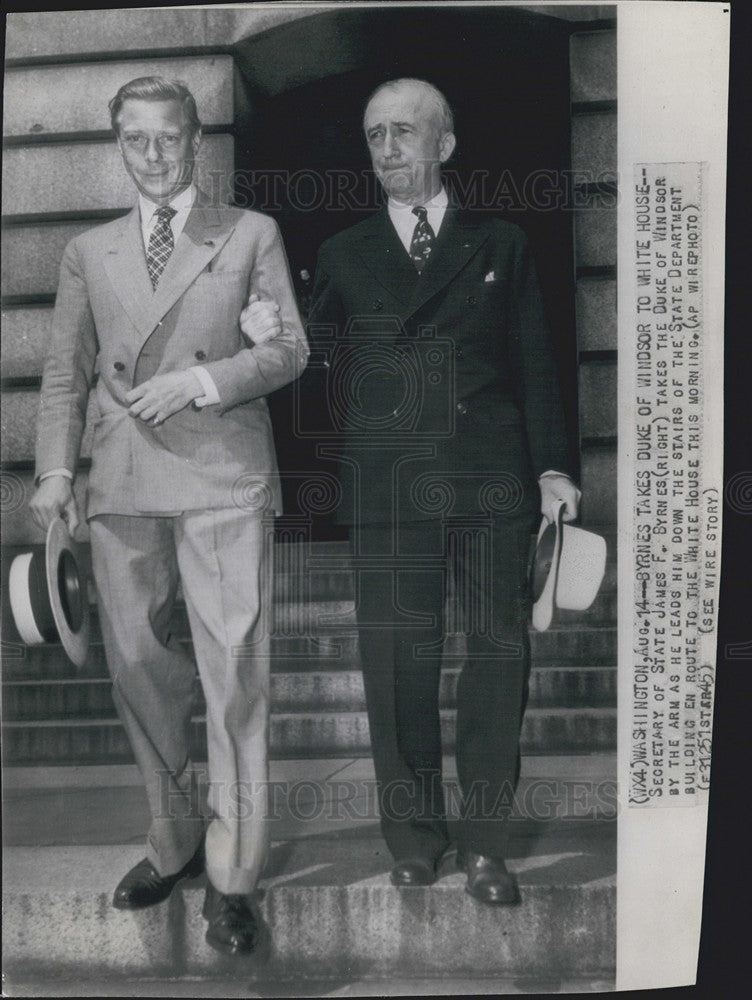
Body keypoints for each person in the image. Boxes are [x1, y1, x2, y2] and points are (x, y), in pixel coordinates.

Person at [29, 76, 308, 955]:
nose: (154, 157)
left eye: (169, 139)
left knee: (234, 679)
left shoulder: (248, 233)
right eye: (136, 141)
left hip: (223, 476)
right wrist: (51, 470)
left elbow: (288, 349)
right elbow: (65, 374)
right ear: (119, 144)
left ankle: (232, 876)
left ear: (197, 142)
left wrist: (200, 379)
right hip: (119, 482)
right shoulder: (89, 249)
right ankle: (176, 837)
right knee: (140, 675)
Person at [303, 78, 580, 904]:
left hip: (491, 480)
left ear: (445, 145)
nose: (388, 150)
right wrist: (275, 334)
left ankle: (486, 844)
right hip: (390, 486)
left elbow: (537, 361)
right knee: (396, 670)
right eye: (375, 136)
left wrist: (555, 470)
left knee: (498, 657)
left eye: (404, 133)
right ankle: (415, 839)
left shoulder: (502, 243)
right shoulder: (346, 252)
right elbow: (312, 371)